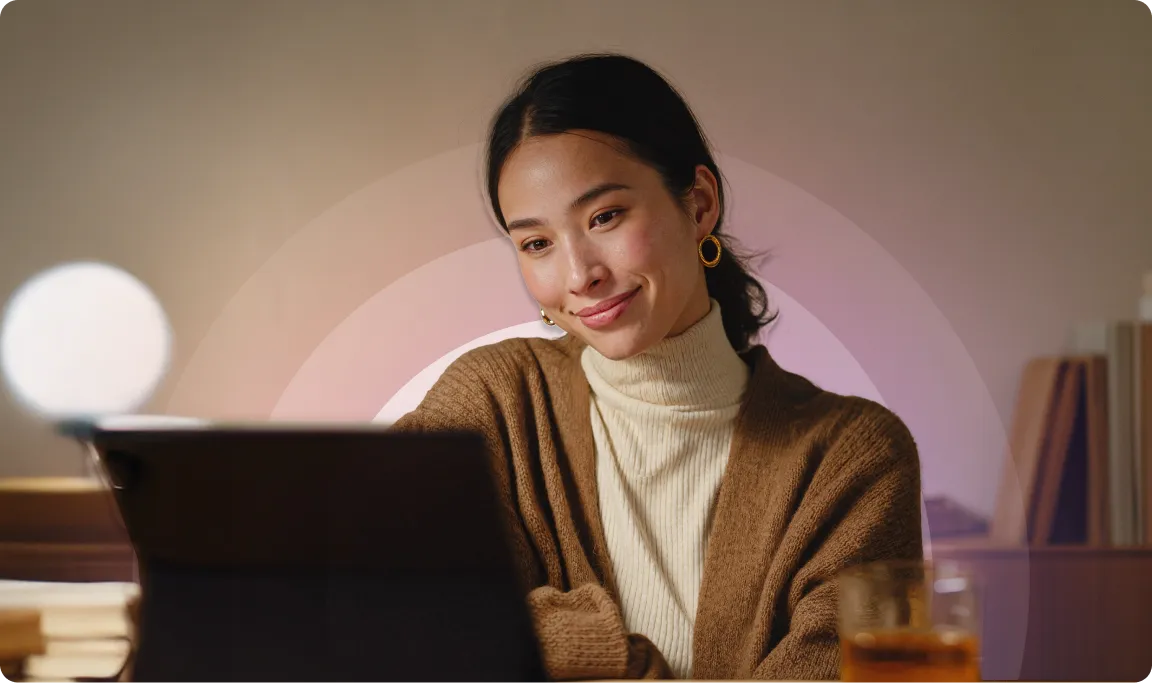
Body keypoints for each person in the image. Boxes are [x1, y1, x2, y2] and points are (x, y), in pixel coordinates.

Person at [391, 52, 923, 681]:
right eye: (537, 243)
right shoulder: (495, 401)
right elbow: (369, 604)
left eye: (605, 216)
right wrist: (614, 652)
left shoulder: (854, 458)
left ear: (698, 204)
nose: (579, 274)